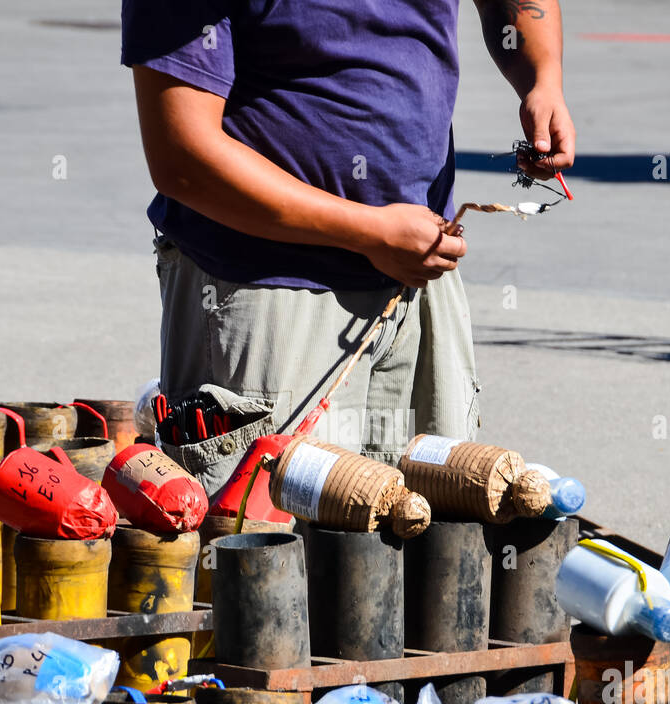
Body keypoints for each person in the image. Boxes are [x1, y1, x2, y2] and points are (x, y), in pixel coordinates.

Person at [122, 0, 574, 492]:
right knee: (271, 547)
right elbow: (182, 156)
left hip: (416, 283)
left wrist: (542, 79)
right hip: (270, 294)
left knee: (432, 536)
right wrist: (369, 232)